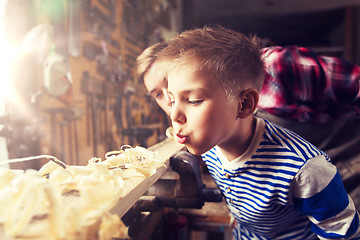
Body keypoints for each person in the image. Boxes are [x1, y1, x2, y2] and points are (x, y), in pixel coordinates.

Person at [157, 26, 360, 239]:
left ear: (244, 104)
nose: (175, 115)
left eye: (193, 100)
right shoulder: (212, 144)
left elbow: (341, 232)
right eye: (172, 100)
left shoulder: (304, 171)